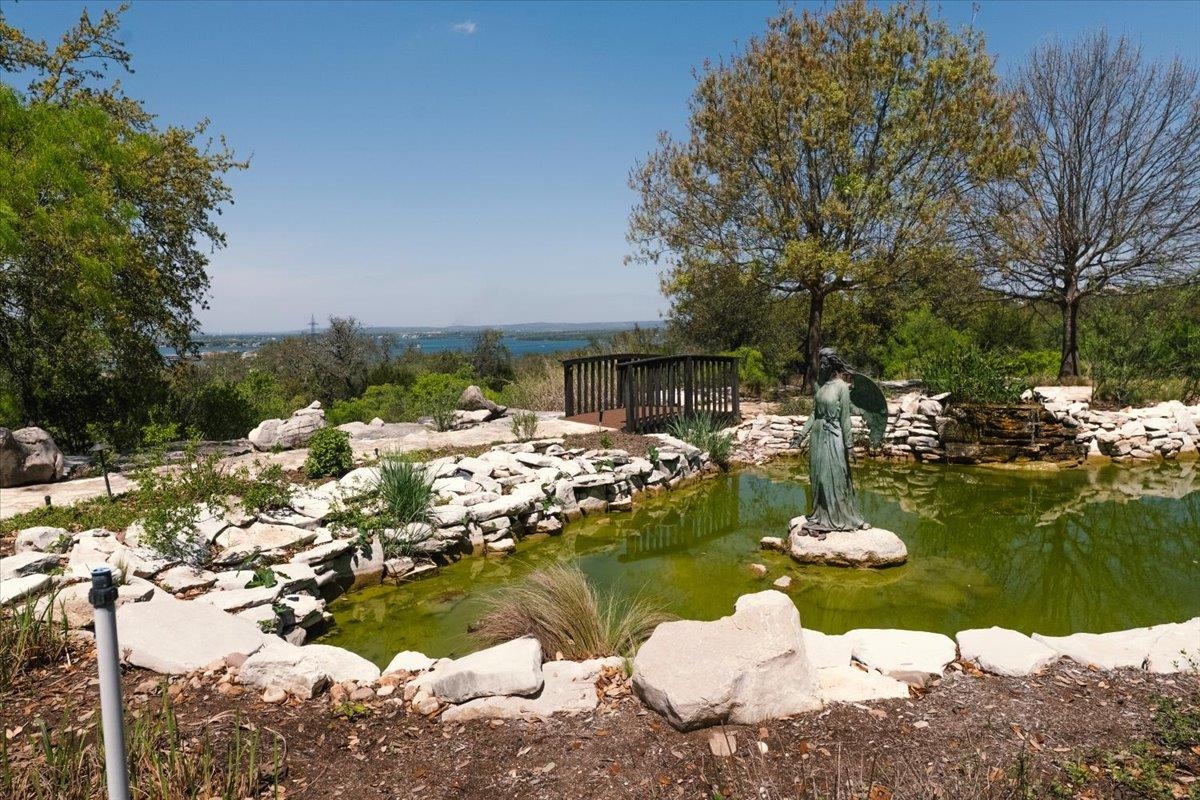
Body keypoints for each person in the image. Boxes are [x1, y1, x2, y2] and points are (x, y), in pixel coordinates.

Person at [791, 348, 872, 538]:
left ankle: (843, 517)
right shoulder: (821, 385)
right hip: (818, 436)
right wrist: (801, 435)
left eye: (825, 363)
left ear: (833, 364)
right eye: (821, 363)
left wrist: (849, 445)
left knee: (835, 476)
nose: (822, 366)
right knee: (818, 477)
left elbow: (845, 418)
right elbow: (814, 414)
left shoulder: (842, 387)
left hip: (834, 436)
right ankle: (821, 514)